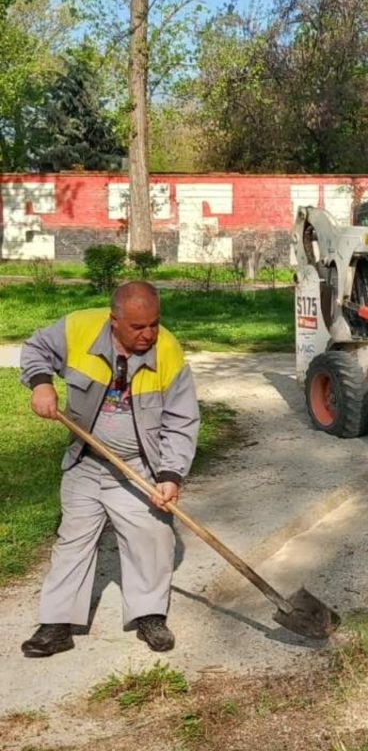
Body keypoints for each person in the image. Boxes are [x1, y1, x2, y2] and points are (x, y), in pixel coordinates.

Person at [19, 281, 200, 657]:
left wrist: (170, 475)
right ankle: (57, 624)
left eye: (154, 324)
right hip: (86, 460)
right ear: (114, 320)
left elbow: (182, 419)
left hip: (138, 467)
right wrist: (41, 384)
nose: (148, 334)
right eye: (138, 327)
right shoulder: (79, 328)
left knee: (151, 537)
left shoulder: (168, 350)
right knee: (73, 540)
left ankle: (149, 615)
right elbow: (36, 348)